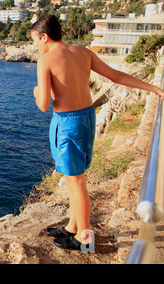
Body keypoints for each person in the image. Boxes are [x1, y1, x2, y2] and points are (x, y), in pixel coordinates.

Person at [31, 14, 164, 252]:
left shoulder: (46, 60)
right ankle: (73, 226)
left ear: (44, 36)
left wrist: (36, 90)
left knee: (76, 181)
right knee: (77, 176)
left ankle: (85, 239)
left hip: (67, 122)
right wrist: (153, 88)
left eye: (35, 41)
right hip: (87, 117)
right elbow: (116, 76)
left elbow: (43, 104)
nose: (36, 47)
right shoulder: (84, 52)